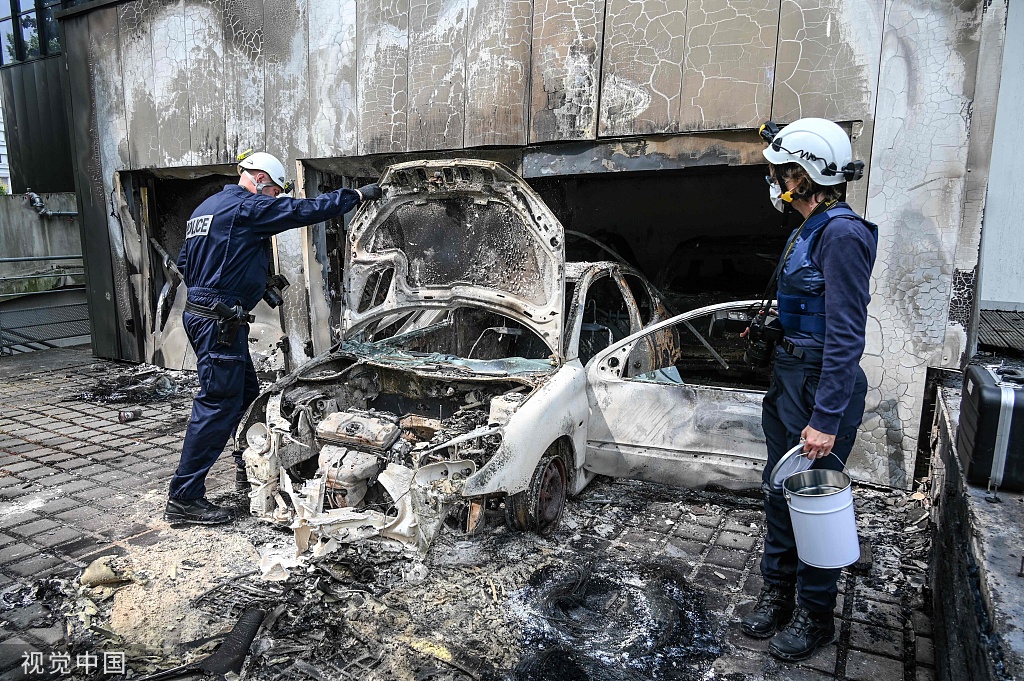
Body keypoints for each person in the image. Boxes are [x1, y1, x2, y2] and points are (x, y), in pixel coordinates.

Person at [165, 151, 381, 525]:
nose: (273, 199)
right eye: (274, 192)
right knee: (217, 403)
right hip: (218, 321)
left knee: (248, 399)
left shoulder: (207, 208)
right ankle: (184, 497)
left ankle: (247, 469)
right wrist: (358, 197)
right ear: (261, 178)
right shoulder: (245, 207)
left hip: (207, 315)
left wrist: (241, 280)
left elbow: (186, 262)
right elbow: (302, 211)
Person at [739, 119, 877, 661]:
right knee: (778, 492)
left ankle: (816, 616)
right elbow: (811, 309)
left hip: (821, 386)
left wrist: (825, 417)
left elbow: (846, 334)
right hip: (791, 377)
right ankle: (779, 596)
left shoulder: (843, 233)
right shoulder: (810, 227)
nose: (775, 181)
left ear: (804, 172)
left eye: (781, 171)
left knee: (813, 504)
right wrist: (774, 331)